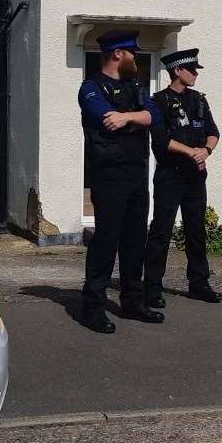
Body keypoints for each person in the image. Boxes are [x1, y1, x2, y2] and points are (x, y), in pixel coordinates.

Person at [78, 32, 164, 333]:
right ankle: (92, 308)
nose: (135, 59)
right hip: (109, 174)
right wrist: (136, 118)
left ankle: (132, 302)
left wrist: (128, 118)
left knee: (134, 240)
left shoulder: (136, 87)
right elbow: (105, 118)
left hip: (136, 173)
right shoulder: (91, 88)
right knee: (106, 240)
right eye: (131, 53)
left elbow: (154, 115)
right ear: (117, 54)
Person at [144, 48, 222, 308]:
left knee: (196, 231)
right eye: (192, 69)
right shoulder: (158, 102)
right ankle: (152, 287)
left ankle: (199, 283)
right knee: (161, 230)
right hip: (170, 175)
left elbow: (213, 132)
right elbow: (162, 141)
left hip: (195, 177)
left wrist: (206, 150)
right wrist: (191, 151)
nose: (196, 74)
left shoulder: (199, 100)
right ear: (178, 71)